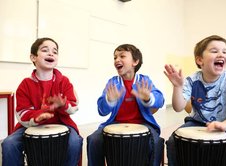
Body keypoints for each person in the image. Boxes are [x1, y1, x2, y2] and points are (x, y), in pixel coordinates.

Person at [164, 35, 226, 166]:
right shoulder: (192, 80)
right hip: (196, 122)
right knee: (172, 142)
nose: (221, 54)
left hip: (225, 124)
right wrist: (177, 87)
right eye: (214, 51)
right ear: (200, 60)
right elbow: (178, 107)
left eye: (224, 51)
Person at [1, 37, 83, 166]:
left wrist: (64, 105)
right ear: (33, 57)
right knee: (9, 143)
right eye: (45, 50)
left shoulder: (64, 81)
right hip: (30, 126)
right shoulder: (25, 84)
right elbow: (22, 112)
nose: (51, 53)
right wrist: (38, 116)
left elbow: (74, 105)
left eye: (55, 52)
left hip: (62, 123)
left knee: (75, 142)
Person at [87, 44, 165, 166]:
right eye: (115, 57)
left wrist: (148, 97)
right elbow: (101, 110)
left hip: (143, 123)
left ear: (135, 61)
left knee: (155, 142)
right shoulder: (113, 82)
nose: (117, 60)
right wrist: (109, 100)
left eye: (122, 56)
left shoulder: (144, 80)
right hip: (115, 123)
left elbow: (160, 99)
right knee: (94, 140)